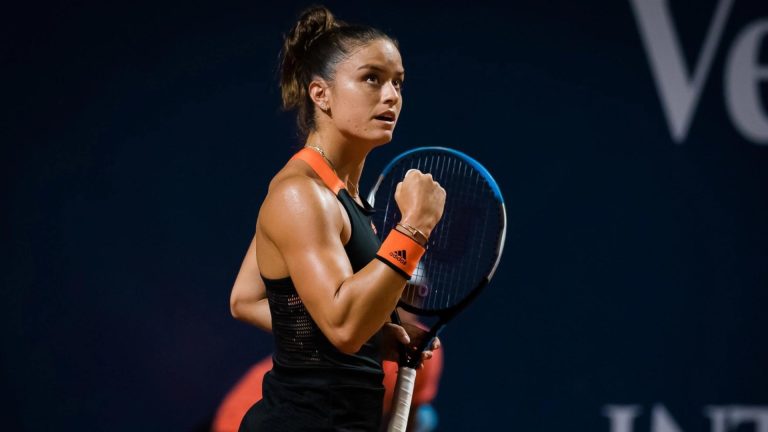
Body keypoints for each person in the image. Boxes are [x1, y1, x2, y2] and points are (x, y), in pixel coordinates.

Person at [228, 5, 446, 431]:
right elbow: (344, 326)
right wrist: (415, 227)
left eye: (398, 82)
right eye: (372, 78)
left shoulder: (337, 194)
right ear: (320, 94)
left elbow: (246, 300)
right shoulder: (300, 194)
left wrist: (374, 336)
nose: (391, 96)